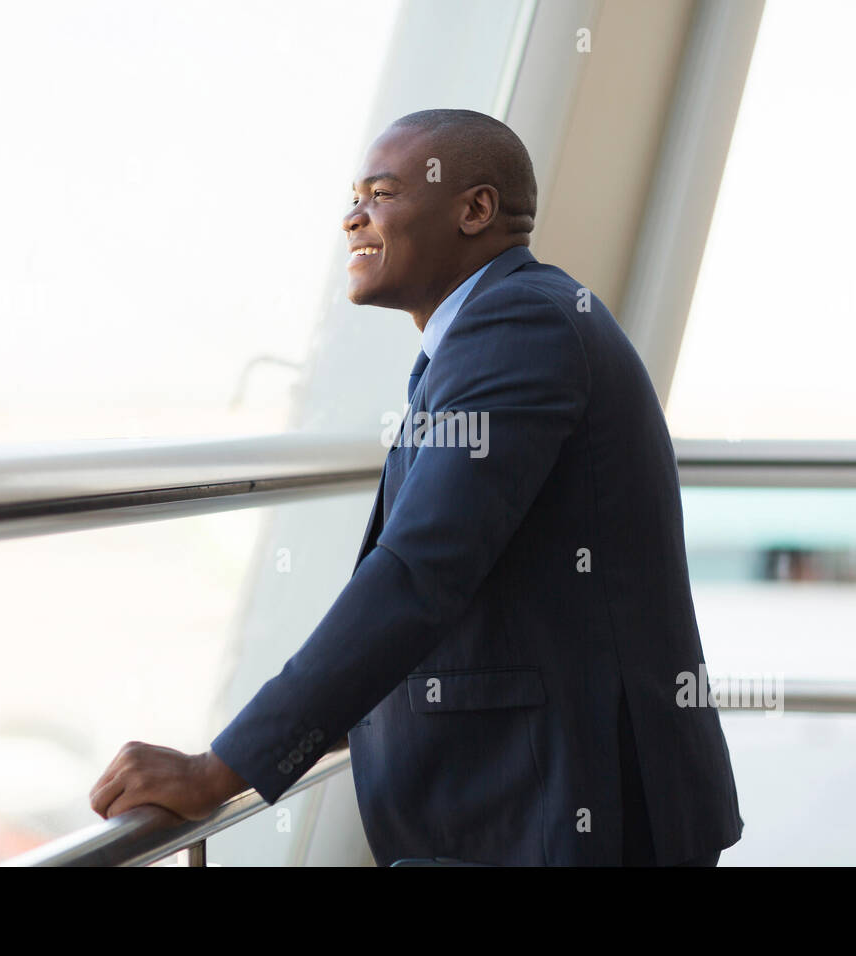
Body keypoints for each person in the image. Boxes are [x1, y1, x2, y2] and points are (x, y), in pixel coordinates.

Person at [90, 109, 743, 866]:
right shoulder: (497, 330)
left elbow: (421, 570)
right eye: (354, 195)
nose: (352, 217)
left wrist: (220, 769)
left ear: (475, 210)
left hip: (564, 811)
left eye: (382, 192)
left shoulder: (518, 327)